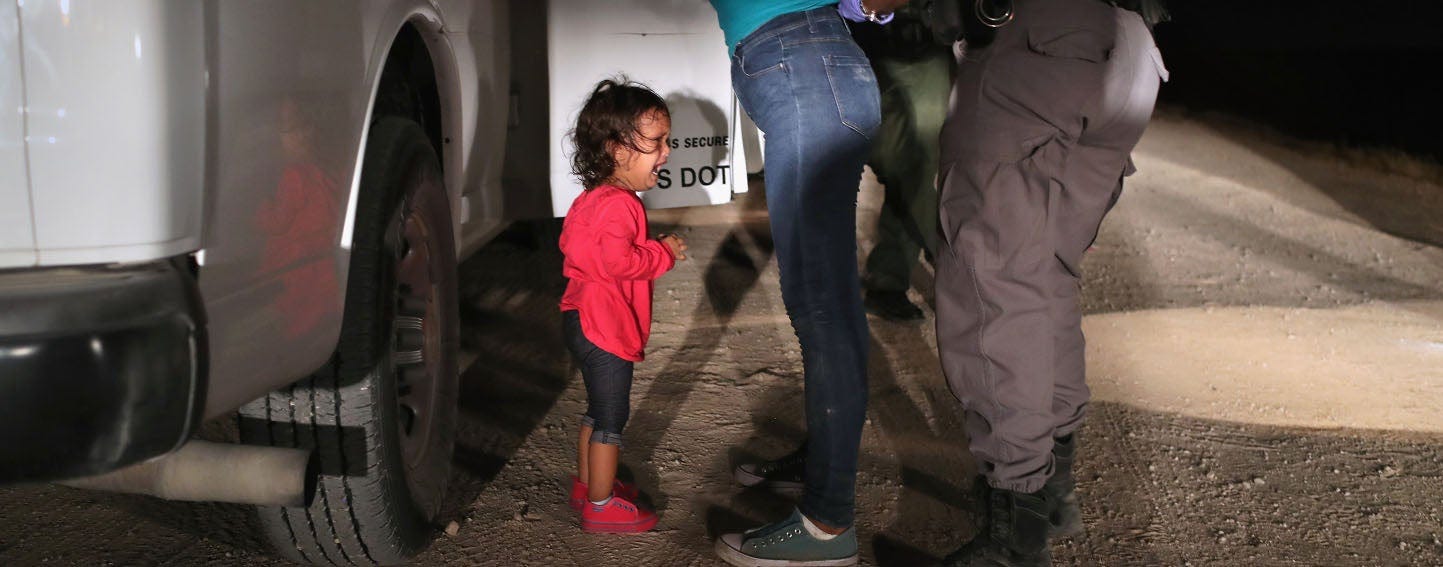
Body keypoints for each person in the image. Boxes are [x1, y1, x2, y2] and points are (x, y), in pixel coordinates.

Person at [931, 0, 1168, 564]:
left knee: (993, 282)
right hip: (1132, 48)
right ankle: (1052, 492)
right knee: (1047, 272)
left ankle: (1015, 531)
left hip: (1041, 39)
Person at [704, 1, 907, 565]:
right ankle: (824, 458)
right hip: (810, 68)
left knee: (822, 304)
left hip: (807, 71)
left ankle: (826, 523)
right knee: (824, 299)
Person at [558, 79, 688, 534]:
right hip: (606, 326)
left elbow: (575, 249)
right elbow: (618, 263)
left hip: (579, 317)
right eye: (657, 143)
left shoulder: (589, 200)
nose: (667, 152)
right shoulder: (622, 205)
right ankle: (600, 503)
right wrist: (663, 252)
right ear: (618, 150)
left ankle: (589, 484)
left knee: (595, 410)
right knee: (611, 418)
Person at [854, 4, 954, 322]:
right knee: (901, 166)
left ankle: (888, 280)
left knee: (917, 169)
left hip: (926, 44)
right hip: (867, 43)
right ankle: (961, 263)